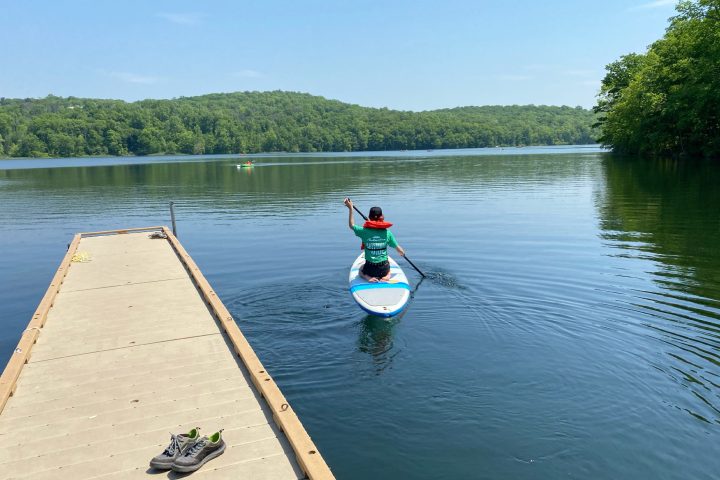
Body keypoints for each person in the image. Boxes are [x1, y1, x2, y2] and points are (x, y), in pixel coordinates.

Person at [344, 198, 405, 283]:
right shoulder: (387, 233)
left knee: (361, 269)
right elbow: (399, 250)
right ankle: (387, 276)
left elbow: (352, 225)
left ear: (369, 217)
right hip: (383, 268)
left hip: (370, 269)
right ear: (381, 217)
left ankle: (366, 277)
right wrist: (402, 253)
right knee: (388, 264)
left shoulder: (364, 231)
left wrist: (351, 208)